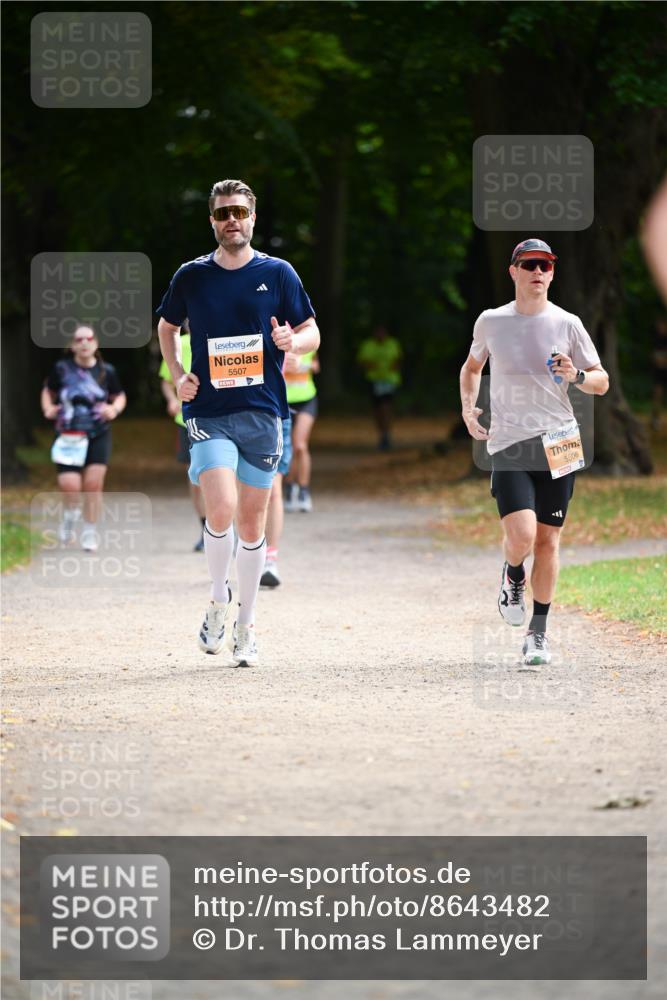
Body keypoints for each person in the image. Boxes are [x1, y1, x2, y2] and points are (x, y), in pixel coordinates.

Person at [157, 178, 319, 666]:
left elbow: (312, 330)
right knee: (221, 508)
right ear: (212, 221)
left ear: (253, 218)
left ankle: (246, 627)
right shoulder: (192, 275)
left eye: (240, 212)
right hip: (208, 412)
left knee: (252, 524)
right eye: (224, 213)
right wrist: (178, 374)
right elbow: (166, 326)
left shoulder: (279, 272)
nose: (232, 220)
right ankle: (217, 601)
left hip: (264, 411)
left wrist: (294, 342)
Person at [460, 238, 609, 666]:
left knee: (548, 542)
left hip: (558, 441)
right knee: (523, 537)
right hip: (508, 441)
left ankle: (537, 634)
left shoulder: (568, 323)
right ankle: (512, 574)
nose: (538, 272)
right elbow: (472, 368)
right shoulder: (492, 321)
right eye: (529, 264)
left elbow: (601, 380)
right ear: (514, 272)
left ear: (552, 272)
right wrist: (469, 408)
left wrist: (578, 374)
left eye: (545, 265)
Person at [41, 324, 126, 551]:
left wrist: (114, 409)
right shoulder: (61, 368)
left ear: (96, 343)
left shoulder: (106, 371)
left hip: (98, 433)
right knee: (70, 486)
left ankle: (89, 532)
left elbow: (119, 396)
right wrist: (48, 407)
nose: (84, 343)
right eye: (78, 340)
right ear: (72, 345)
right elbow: (48, 391)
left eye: (88, 338)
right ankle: (69, 517)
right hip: (68, 434)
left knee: (93, 485)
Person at [159, 323, 207, 551]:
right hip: (186, 420)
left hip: (219, 417)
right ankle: (205, 527)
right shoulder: (178, 341)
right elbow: (166, 380)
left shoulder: (221, 337)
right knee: (195, 478)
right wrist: (171, 398)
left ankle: (228, 528)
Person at [283, 350, 319, 512]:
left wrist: (301, 365)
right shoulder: (278, 342)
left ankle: (304, 491)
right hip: (284, 401)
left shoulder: (307, 340)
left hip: (307, 399)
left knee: (300, 445)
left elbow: (316, 366)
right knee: (288, 448)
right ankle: (290, 488)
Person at [357, 325, 402, 449]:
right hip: (374, 381)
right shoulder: (368, 345)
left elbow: (398, 360)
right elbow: (362, 362)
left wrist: (393, 366)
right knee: (377, 409)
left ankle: (386, 434)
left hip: (389, 381)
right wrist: (369, 365)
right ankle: (382, 433)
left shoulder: (393, 344)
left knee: (386, 407)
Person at [260, 415, 292, 588]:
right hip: (233, 413)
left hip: (273, 414)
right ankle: (249, 548)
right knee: (239, 489)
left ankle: (269, 560)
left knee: (272, 489)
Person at [650, 316, 667, 431]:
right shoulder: (657, 340)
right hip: (659, 372)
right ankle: (655, 418)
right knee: (657, 394)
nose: (660, 327)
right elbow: (654, 357)